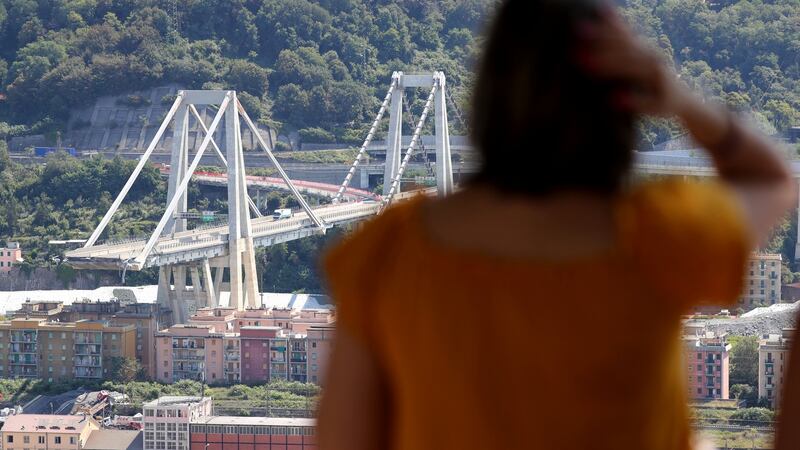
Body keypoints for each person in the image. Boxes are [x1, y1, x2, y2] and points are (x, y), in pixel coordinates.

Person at [319, 0, 795, 449]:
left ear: (488, 95)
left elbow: (344, 439)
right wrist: (677, 95)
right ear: (621, 107)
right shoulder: (659, 234)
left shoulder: (389, 251)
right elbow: (772, 179)